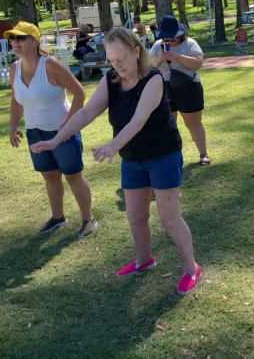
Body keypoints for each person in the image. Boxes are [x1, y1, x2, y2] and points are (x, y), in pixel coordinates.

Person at [30, 27, 202, 295]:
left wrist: (113, 145)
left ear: (136, 51)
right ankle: (144, 260)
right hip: (132, 158)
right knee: (135, 215)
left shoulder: (153, 78)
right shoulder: (111, 80)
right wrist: (56, 139)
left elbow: (139, 119)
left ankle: (191, 268)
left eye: (120, 57)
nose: (116, 64)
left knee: (169, 219)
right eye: (111, 59)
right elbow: (87, 113)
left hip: (162, 155)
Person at [6, 21, 97, 237]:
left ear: (35, 42)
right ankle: (58, 218)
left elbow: (80, 93)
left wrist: (69, 123)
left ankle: (88, 219)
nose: (14, 42)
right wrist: (13, 125)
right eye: (12, 38)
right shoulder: (14, 69)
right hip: (34, 133)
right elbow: (16, 100)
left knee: (73, 175)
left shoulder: (50, 65)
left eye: (20, 38)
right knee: (49, 176)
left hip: (62, 133)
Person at [149, 15, 211, 166]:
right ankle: (172, 157)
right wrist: (158, 60)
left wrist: (177, 56)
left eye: (173, 39)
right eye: (166, 39)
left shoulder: (190, 44)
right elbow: (148, 70)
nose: (169, 42)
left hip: (189, 88)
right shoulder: (157, 46)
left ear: (181, 34)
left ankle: (203, 154)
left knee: (193, 123)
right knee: (169, 125)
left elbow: (198, 63)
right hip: (165, 88)